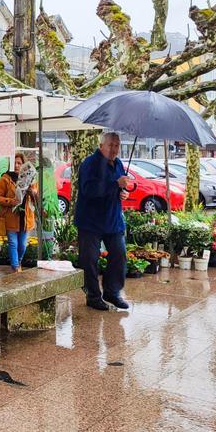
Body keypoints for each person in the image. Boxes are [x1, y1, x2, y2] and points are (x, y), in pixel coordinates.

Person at [74, 132, 131, 311]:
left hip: (113, 220)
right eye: (111, 145)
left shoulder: (119, 163)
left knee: (119, 255)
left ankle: (112, 292)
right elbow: (89, 190)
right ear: (102, 146)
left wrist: (123, 192)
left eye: (117, 145)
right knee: (89, 260)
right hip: (90, 221)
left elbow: (120, 186)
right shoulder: (89, 164)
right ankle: (93, 296)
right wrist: (115, 184)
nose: (114, 149)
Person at [0, 152, 37, 272]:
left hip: (25, 218)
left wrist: (32, 192)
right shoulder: (5, 179)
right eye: (14, 163)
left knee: (22, 245)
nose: (17, 165)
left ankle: (18, 262)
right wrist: (10, 201)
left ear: (24, 165)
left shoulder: (30, 179)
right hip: (10, 217)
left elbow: (36, 198)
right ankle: (15, 267)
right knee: (13, 243)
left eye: (19, 163)